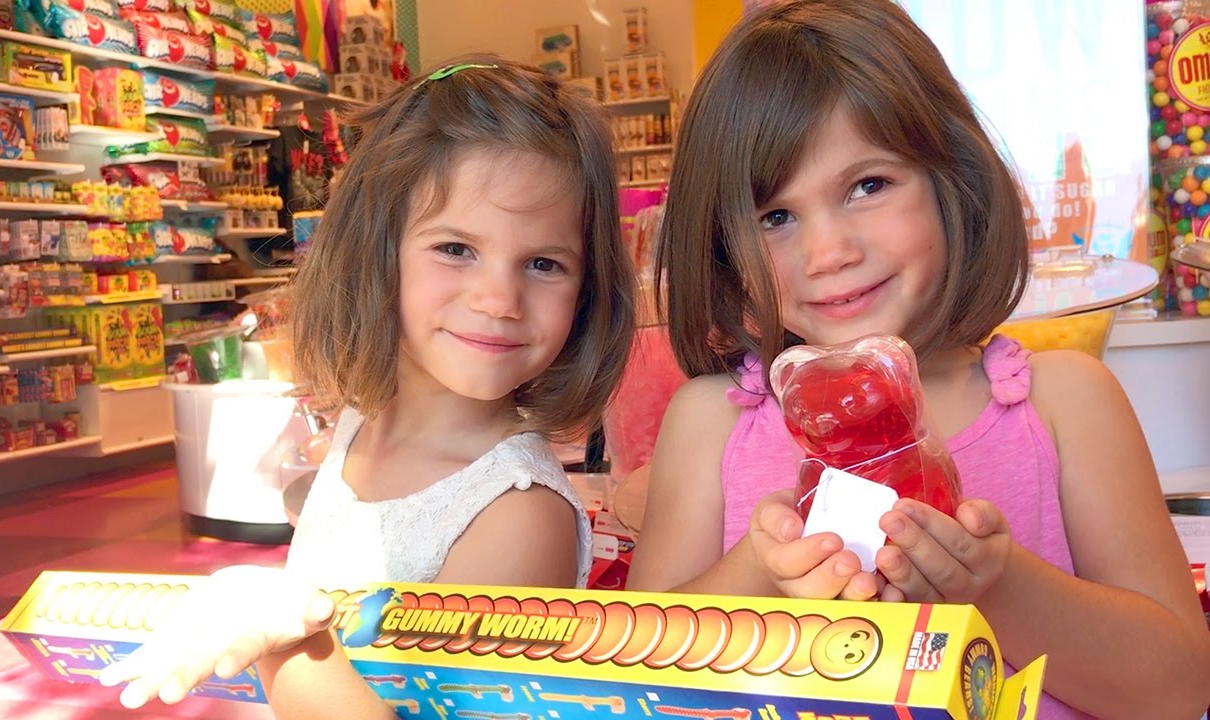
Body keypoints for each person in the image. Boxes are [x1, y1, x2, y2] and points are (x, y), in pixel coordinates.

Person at [626, 2, 1210, 717]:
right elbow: (635, 675)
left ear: (951, 179)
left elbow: (1177, 689)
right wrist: (761, 576)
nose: (829, 252)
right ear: (722, 248)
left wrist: (996, 586)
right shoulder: (712, 424)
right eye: (774, 216)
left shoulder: (1065, 404)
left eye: (867, 186)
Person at [100, 55, 635, 718]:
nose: (499, 298)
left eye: (544, 263)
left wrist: (280, 639)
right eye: (456, 248)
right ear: (379, 250)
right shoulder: (360, 420)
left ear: (587, 293)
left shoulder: (517, 515)